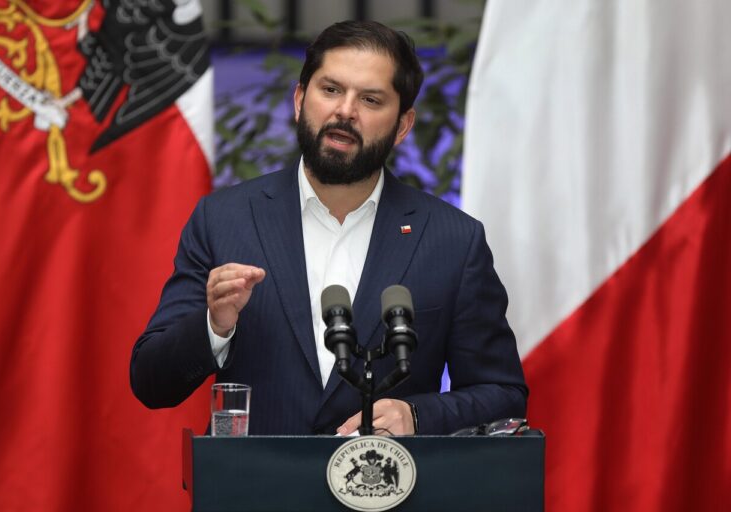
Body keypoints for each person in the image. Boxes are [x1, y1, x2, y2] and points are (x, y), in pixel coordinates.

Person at [130, 20, 527, 436]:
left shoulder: (453, 240)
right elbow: (151, 382)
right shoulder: (223, 219)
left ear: (402, 126)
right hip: (254, 476)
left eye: (370, 99)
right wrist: (214, 326)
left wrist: (416, 415)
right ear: (300, 100)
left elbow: (503, 394)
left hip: (384, 476)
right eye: (331, 89)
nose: (345, 111)